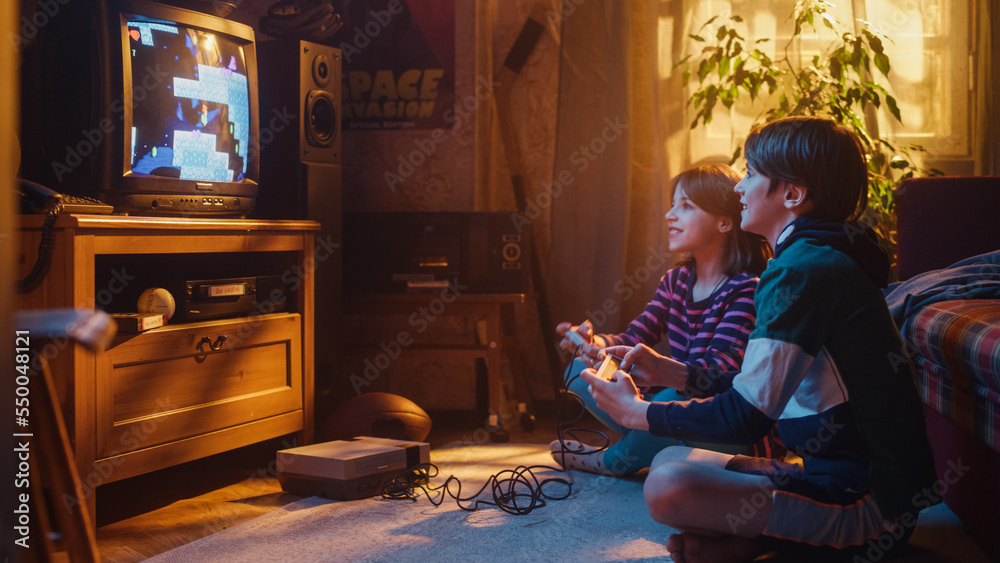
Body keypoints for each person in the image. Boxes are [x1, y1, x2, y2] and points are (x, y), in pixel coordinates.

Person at [581, 116, 938, 562]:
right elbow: (759, 387)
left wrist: (638, 413)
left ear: (793, 194)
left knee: (667, 486)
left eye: (750, 173)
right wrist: (671, 371)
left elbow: (747, 419)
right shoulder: (810, 258)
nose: (738, 188)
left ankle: (774, 541)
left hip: (872, 508)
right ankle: (756, 541)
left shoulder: (803, 271)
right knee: (671, 462)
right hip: (835, 477)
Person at [553, 164, 771, 476]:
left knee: (672, 396)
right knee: (579, 370)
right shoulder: (676, 281)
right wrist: (594, 344)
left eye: (685, 207)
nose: (670, 215)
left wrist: (661, 377)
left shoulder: (745, 290)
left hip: (726, 428)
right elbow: (634, 337)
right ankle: (648, 441)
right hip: (678, 410)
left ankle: (612, 461)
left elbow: (715, 376)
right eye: (672, 205)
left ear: (725, 222)